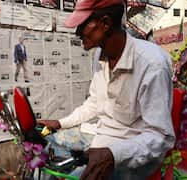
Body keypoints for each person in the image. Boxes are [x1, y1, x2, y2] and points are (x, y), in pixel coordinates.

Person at [38, 0, 175, 179]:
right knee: (45, 152)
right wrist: (60, 123)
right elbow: (95, 103)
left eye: (82, 25)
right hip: (100, 140)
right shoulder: (100, 56)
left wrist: (113, 154)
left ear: (105, 23)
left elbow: (161, 137)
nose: (77, 32)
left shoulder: (152, 65)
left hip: (131, 157)